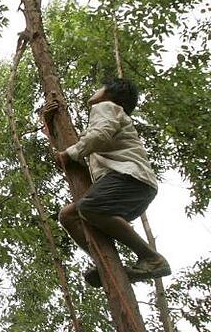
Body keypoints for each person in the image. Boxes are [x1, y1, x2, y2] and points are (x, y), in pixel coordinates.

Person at [46, 78, 170, 287]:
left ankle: (152, 258)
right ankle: (105, 264)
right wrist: (50, 124)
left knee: (90, 208)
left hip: (130, 178)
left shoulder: (106, 107)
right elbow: (93, 141)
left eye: (100, 87)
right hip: (131, 185)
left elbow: (100, 135)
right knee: (69, 216)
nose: (95, 91)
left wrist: (70, 153)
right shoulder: (110, 113)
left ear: (109, 93)